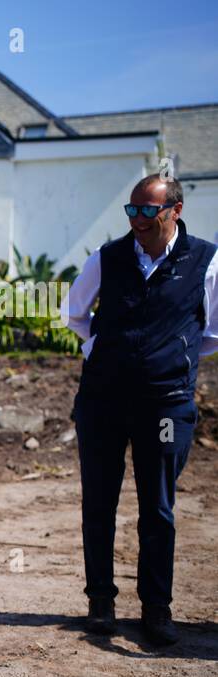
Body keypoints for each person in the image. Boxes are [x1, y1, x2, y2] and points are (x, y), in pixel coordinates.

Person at [62, 173, 217, 646]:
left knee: (158, 507)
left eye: (148, 211)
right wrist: (99, 351)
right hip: (103, 400)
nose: (138, 220)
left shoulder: (206, 262)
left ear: (175, 210)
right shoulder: (106, 258)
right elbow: (74, 312)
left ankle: (157, 609)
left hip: (166, 405)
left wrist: (178, 357)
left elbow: (214, 330)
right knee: (99, 502)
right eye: (132, 211)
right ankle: (101, 603)